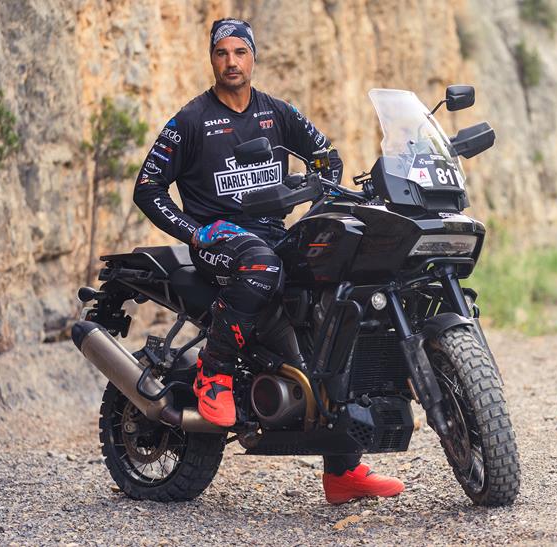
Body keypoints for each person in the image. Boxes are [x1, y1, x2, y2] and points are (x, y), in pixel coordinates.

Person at [133, 18, 403, 504]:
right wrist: (194, 231)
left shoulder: (276, 112)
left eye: (240, 52)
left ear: (253, 58)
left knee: (334, 311)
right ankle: (214, 370)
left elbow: (325, 158)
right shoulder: (191, 120)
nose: (231, 61)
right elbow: (148, 187)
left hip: (273, 233)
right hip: (221, 238)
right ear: (212, 59)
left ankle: (343, 473)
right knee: (261, 264)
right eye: (222, 53)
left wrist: (317, 203)